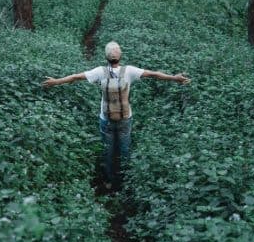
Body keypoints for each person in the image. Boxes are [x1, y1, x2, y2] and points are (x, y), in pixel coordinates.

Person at [42, 41, 190, 189]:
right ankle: (126, 182)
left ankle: (108, 182)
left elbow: (75, 77)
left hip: (106, 119)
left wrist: (55, 82)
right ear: (120, 56)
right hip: (125, 118)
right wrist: (174, 78)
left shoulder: (100, 72)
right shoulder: (130, 71)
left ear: (106, 57)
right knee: (125, 150)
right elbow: (154, 74)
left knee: (108, 151)